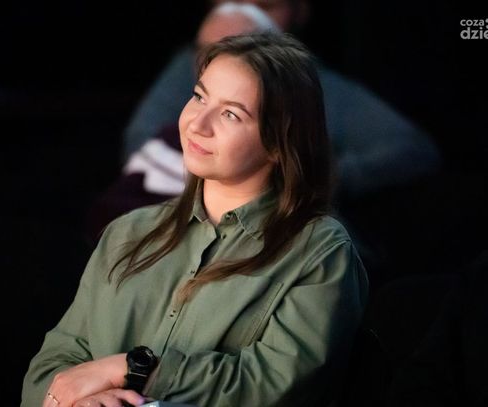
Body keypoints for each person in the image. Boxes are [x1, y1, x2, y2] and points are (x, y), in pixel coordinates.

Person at [22, 32, 369, 407]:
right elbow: (51, 369)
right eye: (200, 97)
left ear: (278, 144)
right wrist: (81, 400)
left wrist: (134, 370)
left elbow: (275, 385)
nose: (197, 124)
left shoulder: (320, 251)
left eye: (231, 114)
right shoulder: (127, 232)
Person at [121, 0, 441, 199]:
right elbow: (141, 139)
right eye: (199, 96)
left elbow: (411, 148)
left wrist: (304, 177)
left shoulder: (318, 87)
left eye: (265, 6)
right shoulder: (187, 65)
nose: (241, 12)